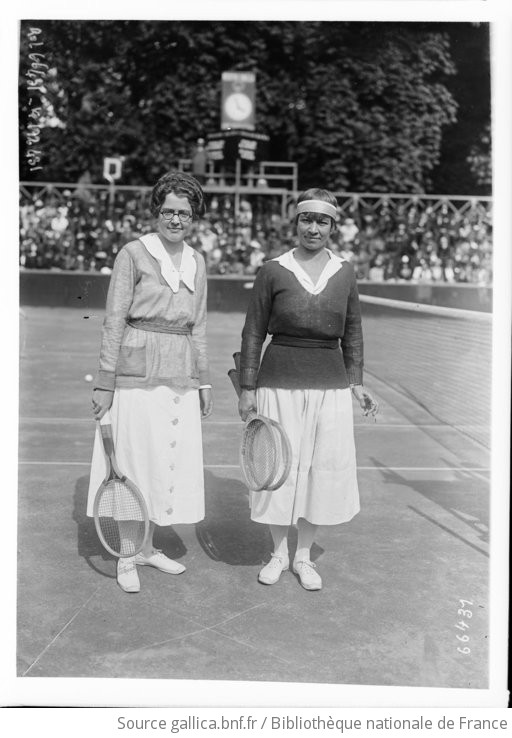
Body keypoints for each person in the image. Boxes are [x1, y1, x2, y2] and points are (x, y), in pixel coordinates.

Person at [238, 188, 378, 591]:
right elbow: (253, 332)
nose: (312, 228)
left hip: (331, 385)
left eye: (321, 221)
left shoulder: (346, 271)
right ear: (295, 222)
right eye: (306, 220)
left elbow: (353, 331)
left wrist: (357, 383)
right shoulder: (272, 270)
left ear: (333, 227)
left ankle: (303, 557)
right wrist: (248, 386)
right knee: (278, 469)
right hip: (278, 381)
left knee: (322, 469)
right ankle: (278, 554)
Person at [87, 171, 213, 593]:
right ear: (156, 213)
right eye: (168, 212)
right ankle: (127, 552)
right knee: (134, 458)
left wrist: (205, 381)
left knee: (163, 460)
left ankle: (147, 547)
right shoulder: (133, 253)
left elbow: (198, 324)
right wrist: (106, 380)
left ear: (193, 217)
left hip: (179, 373)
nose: (176, 220)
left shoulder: (197, 261)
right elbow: (114, 318)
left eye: (184, 213)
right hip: (133, 373)